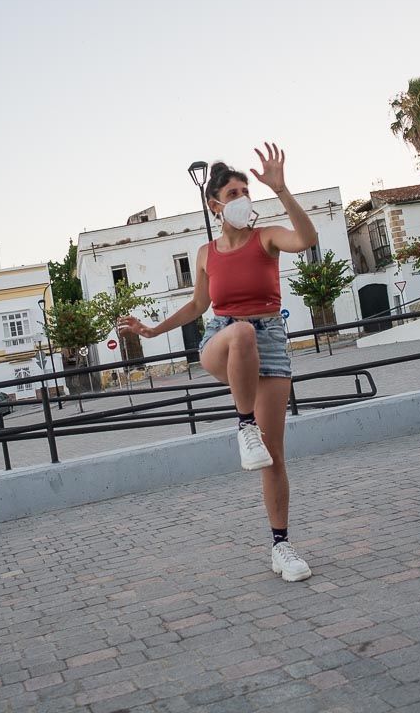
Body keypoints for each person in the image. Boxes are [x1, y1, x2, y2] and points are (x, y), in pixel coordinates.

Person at [119, 144, 318, 582]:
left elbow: (307, 240)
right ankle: (243, 424)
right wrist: (152, 330)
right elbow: (197, 306)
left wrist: (281, 190)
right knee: (241, 332)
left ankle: (281, 547)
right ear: (215, 204)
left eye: (247, 190)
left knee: (273, 458)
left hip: (270, 342)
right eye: (234, 193)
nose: (244, 197)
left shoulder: (266, 237)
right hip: (222, 338)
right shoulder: (206, 254)